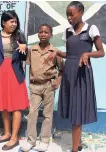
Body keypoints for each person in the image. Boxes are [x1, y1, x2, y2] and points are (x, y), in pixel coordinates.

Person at [48, 1, 105, 152]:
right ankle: (77, 144)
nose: (69, 17)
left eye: (71, 14)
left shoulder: (91, 29)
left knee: (77, 113)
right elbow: (70, 54)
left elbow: (101, 52)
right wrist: (58, 53)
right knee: (74, 109)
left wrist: (87, 53)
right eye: (67, 14)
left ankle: (74, 149)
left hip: (82, 74)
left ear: (81, 12)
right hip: (69, 73)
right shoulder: (67, 31)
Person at [0, 10, 29, 151]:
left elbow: (24, 58)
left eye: (15, 21)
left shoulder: (19, 36)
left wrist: (24, 48)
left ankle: (14, 138)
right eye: (11, 21)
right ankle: (7, 133)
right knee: (4, 105)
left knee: (16, 106)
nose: (14, 24)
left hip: (14, 74)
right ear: (4, 22)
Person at [21, 24, 63, 152]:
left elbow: (62, 69)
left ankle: (44, 140)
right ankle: (31, 141)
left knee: (47, 114)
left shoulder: (55, 51)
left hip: (49, 85)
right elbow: (29, 67)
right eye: (41, 32)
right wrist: (30, 82)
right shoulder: (32, 50)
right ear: (38, 34)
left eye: (46, 32)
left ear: (51, 35)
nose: (43, 34)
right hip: (35, 86)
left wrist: (58, 81)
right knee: (32, 113)